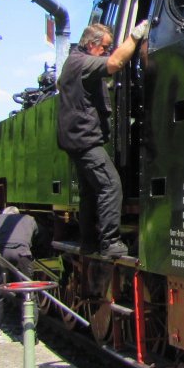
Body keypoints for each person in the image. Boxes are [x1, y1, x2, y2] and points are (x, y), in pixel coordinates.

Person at [58, 20, 149, 257]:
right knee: (110, 185)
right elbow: (116, 62)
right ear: (91, 45)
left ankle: (88, 241)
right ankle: (110, 242)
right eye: (105, 47)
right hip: (85, 141)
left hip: (76, 141)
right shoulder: (81, 62)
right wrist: (136, 36)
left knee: (90, 192)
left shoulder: (73, 62)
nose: (106, 52)